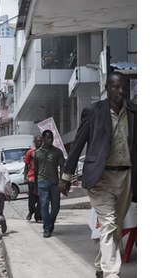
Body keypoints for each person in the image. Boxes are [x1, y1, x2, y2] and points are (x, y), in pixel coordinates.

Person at [58, 71, 137, 278]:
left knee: (115, 227)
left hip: (127, 177)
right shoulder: (93, 111)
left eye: (123, 87)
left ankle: (101, 266)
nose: (120, 91)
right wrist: (66, 177)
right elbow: (77, 144)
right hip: (101, 177)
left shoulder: (134, 112)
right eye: (115, 87)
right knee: (109, 224)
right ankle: (112, 274)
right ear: (106, 88)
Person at [33, 130, 65, 238]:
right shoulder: (37, 153)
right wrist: (35, 185)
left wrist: (62, 181)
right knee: (44, 205)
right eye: (47, 138)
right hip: (42, 182)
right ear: (43, 139)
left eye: (51, 138)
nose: (50, 140)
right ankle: (46, 228)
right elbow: (36, 169)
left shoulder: (57, 152)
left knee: (56, 207)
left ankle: (50, 223)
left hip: (55, 183)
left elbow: (62, 166)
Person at [23, 135, 43, 222]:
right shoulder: (30, 152)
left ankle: (38, 216)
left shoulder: (44, 152)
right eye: (37, 141)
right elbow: (26, 166)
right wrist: (25, 178)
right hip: (32, 178)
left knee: (41, 199)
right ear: (34, 142)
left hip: (41, 178)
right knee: (32, 198)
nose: (39, 142)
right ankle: (31, 211)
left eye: (40, 141)